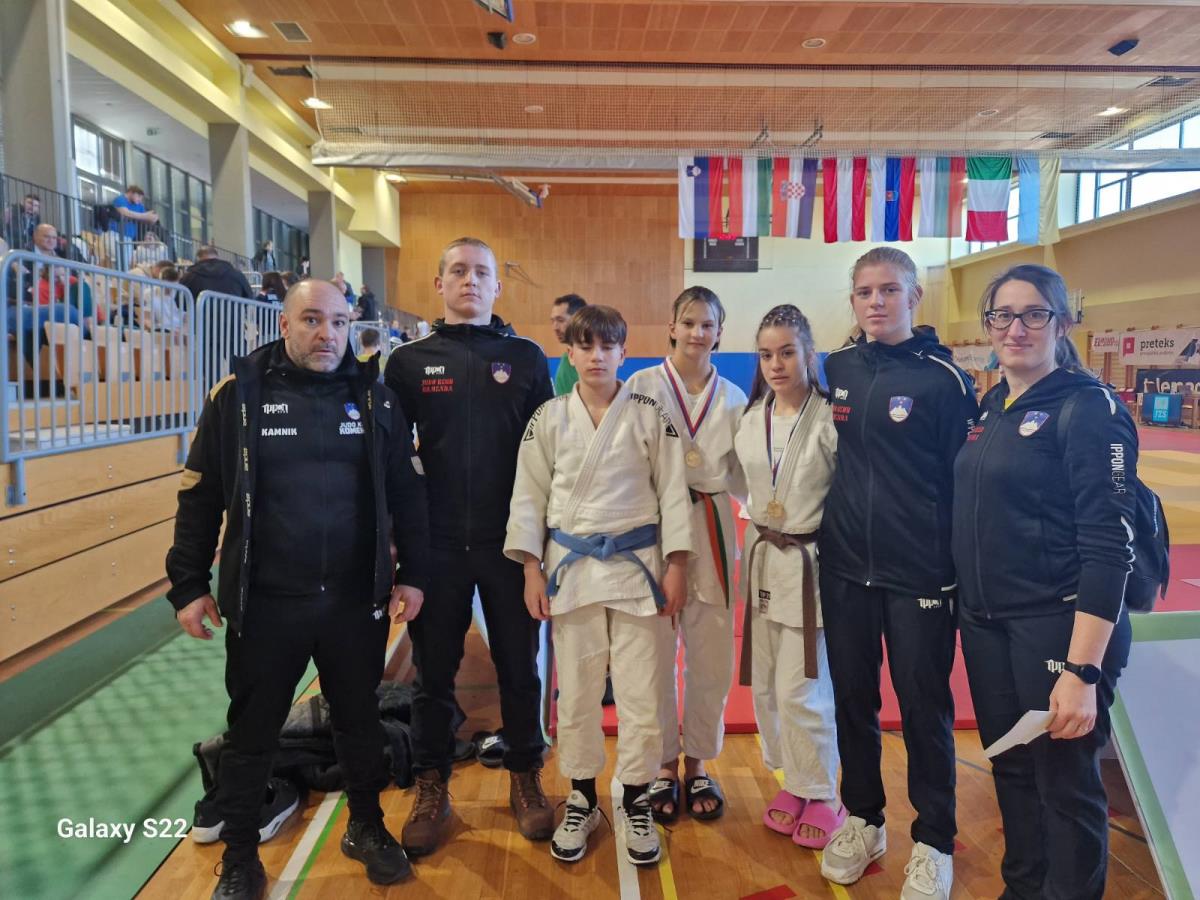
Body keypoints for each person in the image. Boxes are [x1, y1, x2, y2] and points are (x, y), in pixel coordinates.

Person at [165, 279, 430, 899]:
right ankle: (239, 854)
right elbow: (200, 498)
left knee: (359, 722)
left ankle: (366, 825)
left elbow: (408, 494)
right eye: (311, 320)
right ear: (284, 325)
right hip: (266, 604)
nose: (326, 334)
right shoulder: (238, 396)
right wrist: (188, 585)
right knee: (251, 732)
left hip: (353, 602)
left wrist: (414, 574)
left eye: (338, 322)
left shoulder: (376, 398)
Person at [953, 265, 1137, 900]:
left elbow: (1109, 546)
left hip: (1057, 625)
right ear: (988, 326)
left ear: (1062, 324)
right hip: (987, 623)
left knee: (1064, 784)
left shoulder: (1090, 408)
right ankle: (1023, 888)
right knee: (1011, 768)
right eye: (1002, 315)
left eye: (1034, 314)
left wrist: (1082, 671)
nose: (1016, 328)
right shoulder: (991, 405)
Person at [383, 237, 555, 856]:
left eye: (481, 272)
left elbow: (548, 456)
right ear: (439, 284)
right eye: (458, 271)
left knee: (519, 668)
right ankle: (432, 784)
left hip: (509, 546)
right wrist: (398, 544)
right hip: (434, 548)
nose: (470, 280)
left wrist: (539, 549)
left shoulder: (527, 357)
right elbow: (391, 462)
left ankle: (526, 775)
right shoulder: (407, 363)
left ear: (496, 287)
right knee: (433, 675)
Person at [505, 304, 692, 866]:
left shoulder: (650, 414)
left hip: (639, 570)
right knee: (579, 691)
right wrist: (531, 568)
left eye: (607, 346)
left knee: (642, 691)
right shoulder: (549, 417)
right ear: (569, 352)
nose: (596, 356)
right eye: (585, 346)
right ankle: (583, 797)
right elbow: (528, 496)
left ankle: (635, 797)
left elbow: (673, 492)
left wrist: (677, 565)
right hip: (573, 569)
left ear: (623, 353)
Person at [818, 247, 977, 899]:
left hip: (921, 576)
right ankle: (863, 819)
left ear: (914, 297)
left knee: (923, 708)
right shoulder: (837, 367)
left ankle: (934, 840)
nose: (876, 301)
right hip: (845, 569)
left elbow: (964, 484)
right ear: (853, 300)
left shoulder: (945, 380)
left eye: (888, 290)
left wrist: (958, 570)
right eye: (864, 292)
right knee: (852, 701)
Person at [624, 286, 746, 823]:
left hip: (713, 523)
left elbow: (747, 476)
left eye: (707, 324)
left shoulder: (735, 398)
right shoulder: (641, 387)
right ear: (671, 327)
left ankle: (697, 762)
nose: (698, 332)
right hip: (653, 523)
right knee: (653, 650)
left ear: (720, 332)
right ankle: (662, 764)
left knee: (711, 653)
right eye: (689, 322)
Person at [734, 304, 843, 849]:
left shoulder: (828, 418)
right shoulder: (752, 417)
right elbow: (739, 484)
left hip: (808, 562)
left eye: (786, 353)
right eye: (766, 354)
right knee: (768, 685)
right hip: (762, 558)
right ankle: (793, 780)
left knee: (802, 688)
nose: (776, 364)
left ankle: (823, 792)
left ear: (808, 354)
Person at [109, 185, 159, 269]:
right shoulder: (121, 199)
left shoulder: (139, 205)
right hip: (115, 234)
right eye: (139, 196)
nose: (140, 200)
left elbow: (149, 219)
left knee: (127, 262)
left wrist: (151, 217)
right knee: (116, 259)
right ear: (132, 193)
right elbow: (125, 213)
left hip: (129, 238)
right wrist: (145, 215)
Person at [181, 245, 255, 299]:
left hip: (202, 315)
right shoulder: (236, 274)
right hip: (232, 315)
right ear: (217, 257)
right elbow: (249, 296)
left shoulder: (190, 276)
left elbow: (180, 300)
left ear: (198, 258)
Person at [549, 293, 587, 395]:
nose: (555, 327)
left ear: (579, 320)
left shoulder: (591, 361)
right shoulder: (567, 360)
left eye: (560, 320)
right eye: (553, 321)